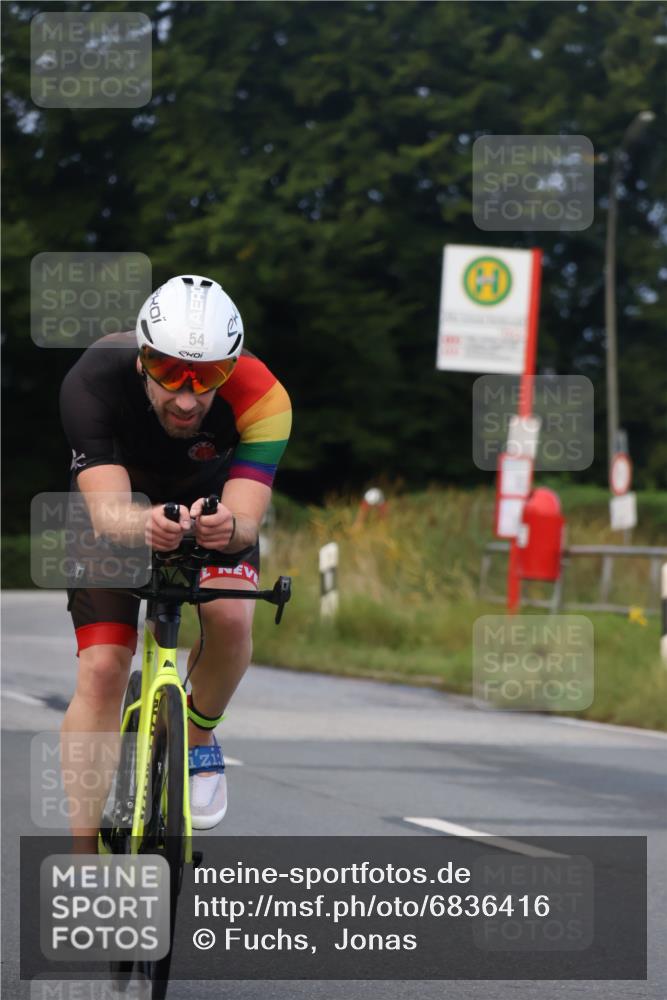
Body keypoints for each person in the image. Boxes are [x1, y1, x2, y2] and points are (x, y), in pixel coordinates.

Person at [59, 274, 291, 845]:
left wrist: (226, 525)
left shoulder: (266, 398)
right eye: (168, 374)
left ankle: (198, 733)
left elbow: (245, 520)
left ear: (231, 369)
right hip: (118, 510)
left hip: (210, 508)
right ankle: (84, 855)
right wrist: (145, 522)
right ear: (142, 359)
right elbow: (111, 512)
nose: (187, 399)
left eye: (208, 378)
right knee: (104, 668)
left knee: (232, 619)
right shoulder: (93, 379)